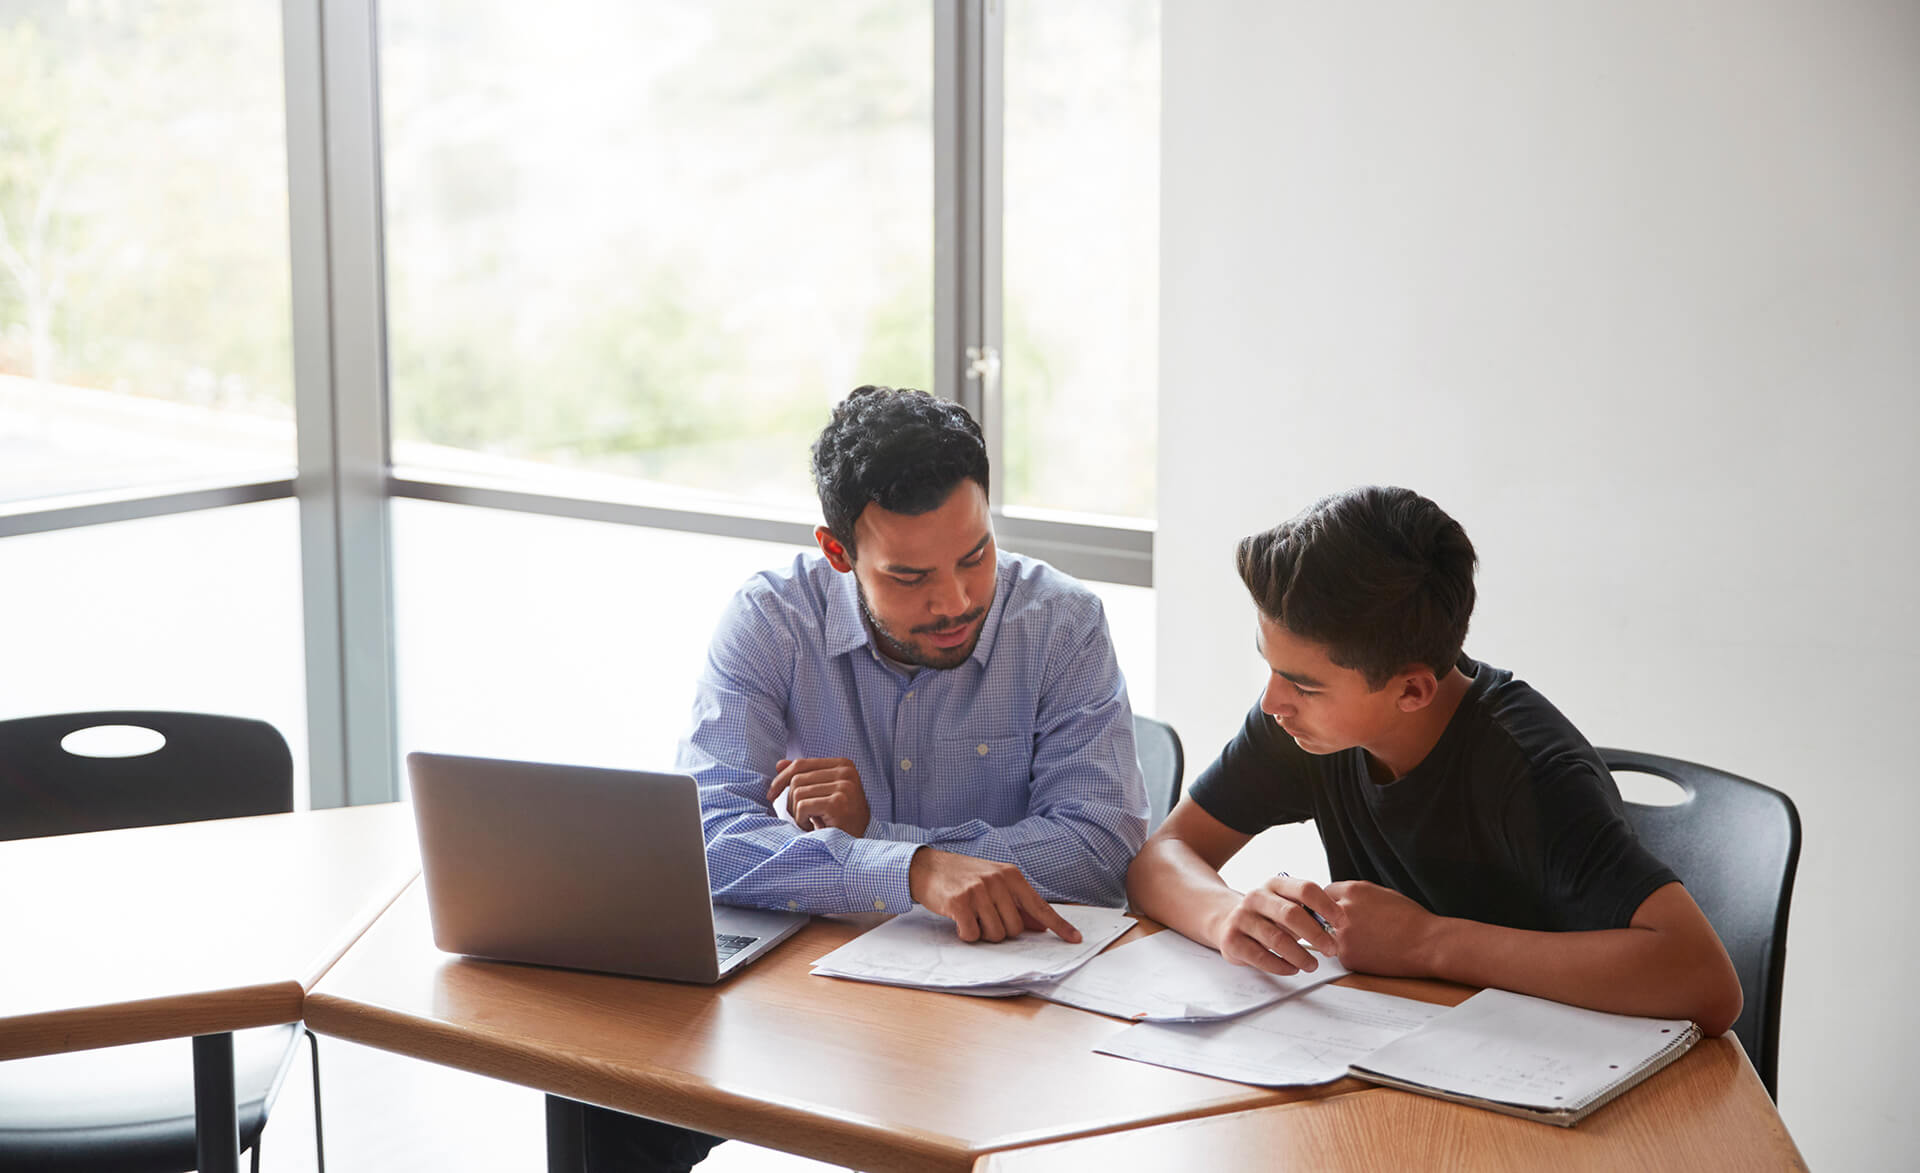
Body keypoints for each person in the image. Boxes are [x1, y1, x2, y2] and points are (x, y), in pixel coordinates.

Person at [583, 385, 1149, 1171]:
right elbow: (702, 834)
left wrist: (884, 845)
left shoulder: (1062, 623)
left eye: (975, 554)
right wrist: (914, 871)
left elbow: (1097, 848)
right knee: (607, 1093)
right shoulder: (771, 619)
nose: (954, 601)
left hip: (1009, 1018)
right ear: (838, 551)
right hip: (813, 1000)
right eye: (910, 577)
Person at [1126, 485, 1743, 1035]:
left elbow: (1707, 984)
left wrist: (1429, 943)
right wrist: (1228, 916)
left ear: (1413, 690)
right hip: (1404, 1050)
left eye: (1303, 684)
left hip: (1554, 1076)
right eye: (1268, 666)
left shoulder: (1532, 773)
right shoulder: (1302, 727)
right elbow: (1162, 857)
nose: (1272, 701)